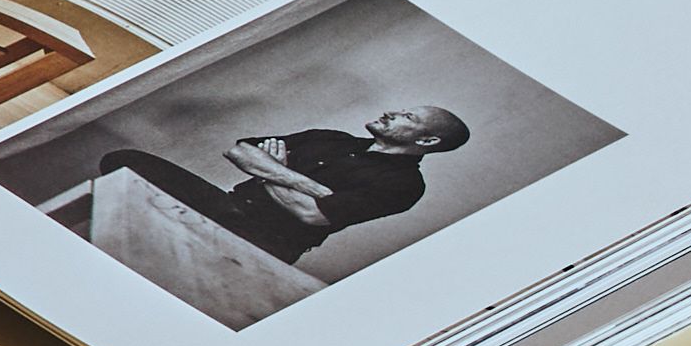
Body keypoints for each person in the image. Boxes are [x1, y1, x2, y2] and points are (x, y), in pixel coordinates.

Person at [120, 97, 473, 275]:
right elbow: (240, 150)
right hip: (225, 205)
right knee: (124, 159)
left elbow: (311, 215)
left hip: (266, 242)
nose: (392, 113)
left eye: (407, 117)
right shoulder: (330, 138)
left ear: (427, 141)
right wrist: (293, 178)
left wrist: (268, 170)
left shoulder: (405, 185)